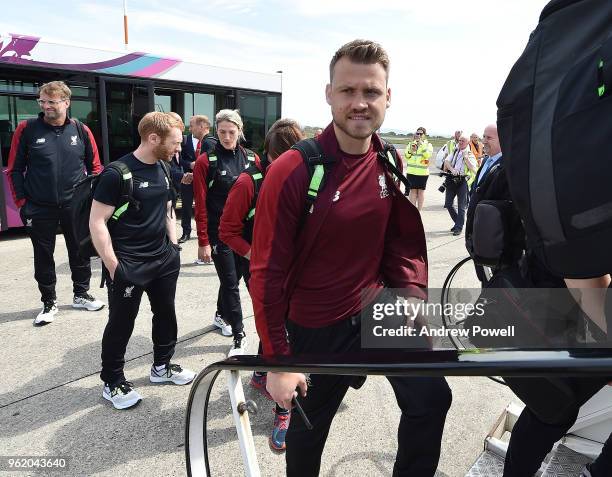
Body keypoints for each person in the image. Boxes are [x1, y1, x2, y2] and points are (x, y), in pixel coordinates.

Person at [250, 39, 451, 477]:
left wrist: (412, 295)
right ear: (329, 94)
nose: (360, 103)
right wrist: (279, 362)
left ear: (388, 97)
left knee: (432, 398)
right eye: (348, 91)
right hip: (315, 325)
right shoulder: (293, 169)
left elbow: (398, 241)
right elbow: (265, 272)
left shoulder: (388, 157)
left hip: (376, 307)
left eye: (371, 92)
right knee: (308, 434)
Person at [89, 111, 196, 410]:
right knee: (121, 323)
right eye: (175, 143)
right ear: (153, 138)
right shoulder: (116, 173)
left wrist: (173, 247)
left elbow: (167, 209)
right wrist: (114, 267)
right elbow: (97, 222)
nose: (179, 149)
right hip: (129, 264)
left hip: (163, 259)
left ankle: (162, 367)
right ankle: (112, 381)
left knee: (166, 314)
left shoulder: (163, 167)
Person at [219, 118, 305, 452]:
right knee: (283, 336)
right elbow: (226, 230)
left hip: (296, 276)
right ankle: (283, 411)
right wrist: (256, 254)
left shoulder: (307, 181)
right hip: (265, 275)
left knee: (279, 330)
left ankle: (259, 373)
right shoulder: (248, 183)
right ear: (270, 156)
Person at [7, 80, 105, 325]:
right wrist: (22, 202)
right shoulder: (27, 129)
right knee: (43, 255)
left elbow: (95, 167)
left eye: (52, 101)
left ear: (66, 103)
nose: (46, 106)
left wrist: (91, 200)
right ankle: (48, 301)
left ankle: (80, 294)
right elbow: (14, 169)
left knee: (81, 250)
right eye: (42, 101)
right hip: (39, 206)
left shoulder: (81, 130)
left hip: (75, 204)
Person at [193, 109, 259, 355]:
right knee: (231, 283)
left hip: (247, 234)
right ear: (216, 132)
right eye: (222, 132)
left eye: (232, 132)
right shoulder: (205, 162)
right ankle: (239, 335)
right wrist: (203, 241)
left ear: (239, 131)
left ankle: (222, 313)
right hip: (220, 234)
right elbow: (200, 204)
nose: (227, 137)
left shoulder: (253, 159)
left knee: (239, 278)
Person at [179, 115, 217, 244]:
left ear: (201, 126)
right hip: (191, 180)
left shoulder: (208, 143)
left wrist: (195, 174)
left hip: (203, 185)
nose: (190, 129)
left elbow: (210, 169)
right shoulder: (204, 141)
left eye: (192, 125)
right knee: (187, 207)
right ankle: (187, 232)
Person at [443, 133, 477, 235]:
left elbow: (474, 169)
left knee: (461, 206)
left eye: (463, 141)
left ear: (467, 143)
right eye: (460, 140)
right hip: (451, 180)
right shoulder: (455, 151)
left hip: (463, 182)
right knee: (448, 204)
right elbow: (446, 161)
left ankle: (458, 227)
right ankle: (458, 222)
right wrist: (452, 169)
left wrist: (466, 159)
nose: (460, 142)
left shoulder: (469, 154)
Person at [404, 126, 433, 210]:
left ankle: (419, 211)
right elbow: (407, 156)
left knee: (420, 192)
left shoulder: (428, 144)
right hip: (411, 172)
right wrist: (411, 150)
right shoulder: (411, 143)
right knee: (412, 191)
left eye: (421, 134)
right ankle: (413, 211)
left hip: (422, 173)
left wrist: (422, 145)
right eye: (417, 133)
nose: (419, 135)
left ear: (424, 135)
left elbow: (427, 155)